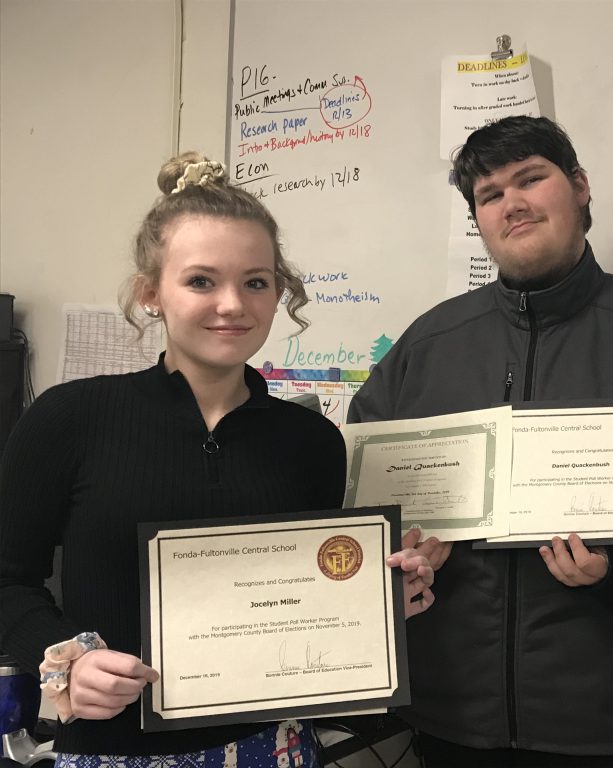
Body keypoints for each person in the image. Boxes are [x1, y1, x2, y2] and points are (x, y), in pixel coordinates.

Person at [0, 152, 435, 763]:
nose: (232, 304)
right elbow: (8, 581)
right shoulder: (68, 419)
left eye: (256, 281)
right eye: (201, 280)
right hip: (116, 748)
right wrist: (67, 660)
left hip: (271, 747)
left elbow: (302, 598)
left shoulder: (311, 441)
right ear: (152, 293)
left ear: (279, 293)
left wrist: (381, 597)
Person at [347, 116, 613, 766]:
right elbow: (358, 515)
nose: (512, 204)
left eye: (531, 179)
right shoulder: (428, 345)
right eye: (490, 194)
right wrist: (404, 553)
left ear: (580, 188)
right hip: (450, 721)